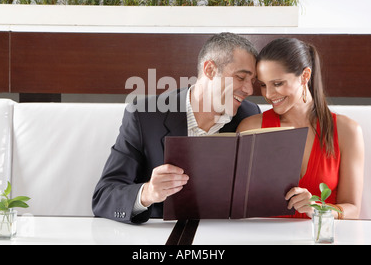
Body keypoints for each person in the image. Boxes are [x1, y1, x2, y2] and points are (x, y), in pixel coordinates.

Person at [92, 32, 261, 224]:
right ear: (210, 69)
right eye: (240, 78)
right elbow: (103, 195)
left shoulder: (248, 115)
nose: (248, 90)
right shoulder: (145, 116)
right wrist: (147, 193)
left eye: (252, 81)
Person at [237, 37, 364, 219]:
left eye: (278, 83)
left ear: (305, 76)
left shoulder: (347, 131)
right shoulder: (251, 127)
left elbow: (353, 209)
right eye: (263, 85)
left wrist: (319, 208)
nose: (268, 94)